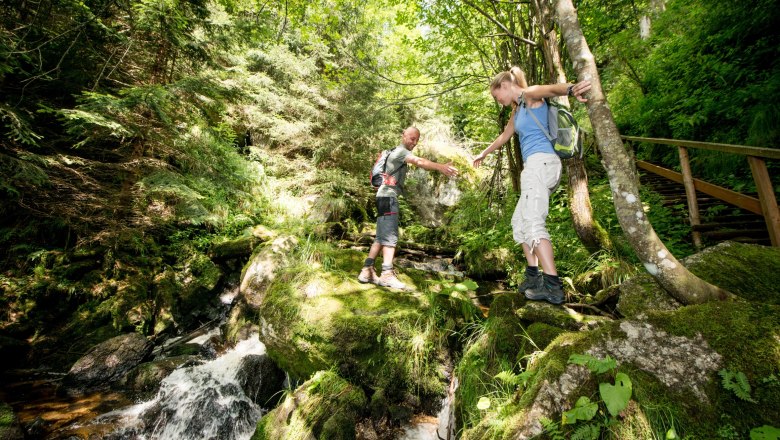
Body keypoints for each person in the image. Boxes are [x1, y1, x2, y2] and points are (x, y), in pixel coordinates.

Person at [472, 67, 591, 304]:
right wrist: (483, 154)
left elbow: (552, 90)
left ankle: (552, 286)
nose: (499, 101)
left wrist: (572, 89)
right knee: (520, 222)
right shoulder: (518, 112)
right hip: (535, 167)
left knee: (535, 223)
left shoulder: (529, 94)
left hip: (541, 163)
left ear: (504, 85)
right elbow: (504, 136)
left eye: (497, 96)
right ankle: (533, 276)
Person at [358, 126, 459, 289]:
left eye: (417, 140)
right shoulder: (400, 152)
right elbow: (419, 161)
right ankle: (386, 274)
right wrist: (441, 167)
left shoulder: (394, 152)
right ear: (403, 136)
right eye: (412, 138)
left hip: (383, 196)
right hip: (388, 197)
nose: (414, 142)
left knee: (381, 235)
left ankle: (367, 270)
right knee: (390, 236)